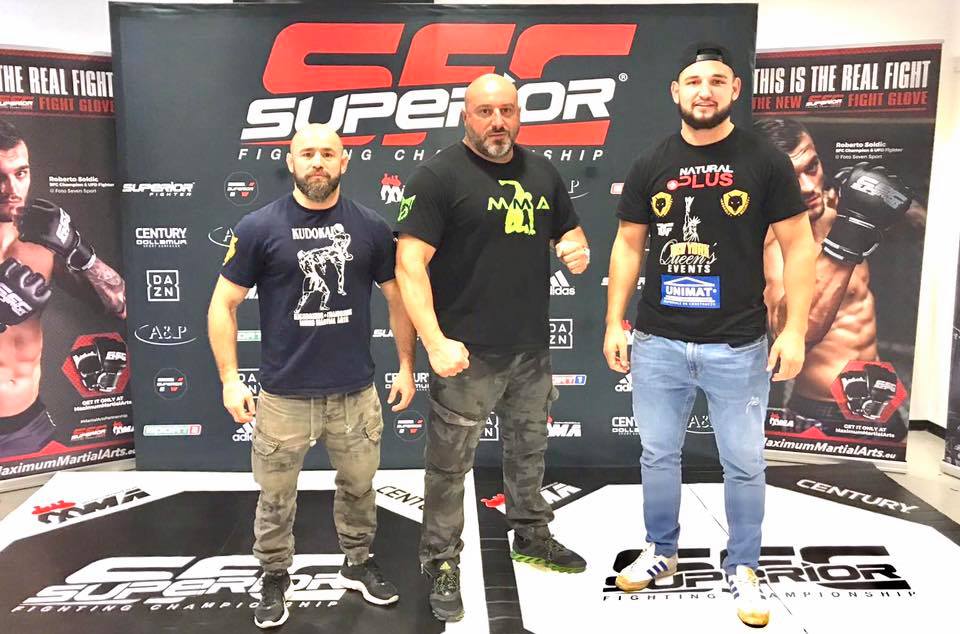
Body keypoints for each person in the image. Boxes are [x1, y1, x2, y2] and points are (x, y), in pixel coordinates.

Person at [603, 43, 816, 628]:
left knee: (744, 462)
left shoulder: (765, 161)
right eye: (694, 81)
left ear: (734, 91)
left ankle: (743, 566)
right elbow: (628, 245)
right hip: (658, 342)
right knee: (658, 454)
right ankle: (661, 551)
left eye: (717, 80)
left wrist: (795, 329)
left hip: (738, 344)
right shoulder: (650, 163)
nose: (705, 91)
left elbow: (799, 246)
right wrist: (614, 321)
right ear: (676, 91)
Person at [395, 73, 590, 622]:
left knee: (528, 449)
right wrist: (434, 342)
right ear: (466, 116)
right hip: (465, 354)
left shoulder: (543, 172)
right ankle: (440, 560)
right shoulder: (438, 176)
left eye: (507, 110)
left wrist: (575, 248)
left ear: (519, 114)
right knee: (448, 466)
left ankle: (530, 534)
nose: (497, 122)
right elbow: (409, 265)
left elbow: (569, 234)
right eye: (486, 112)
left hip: (530, 349)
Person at [208, 123, 416, 629]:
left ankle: (358, 562)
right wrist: (230, 378)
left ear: (344, 161)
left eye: (327, 153)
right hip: (284, 396)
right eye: (307, 153)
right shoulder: (258, 227)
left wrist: (407, 365)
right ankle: (274, 574)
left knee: (360, 486)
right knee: (275, 496)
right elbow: (223, 304)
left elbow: (398, 299)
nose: (317, 162)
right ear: (291, 161)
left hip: (354, 392)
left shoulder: (370, 227)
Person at [754, 118, 920, 441]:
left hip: (879, 393)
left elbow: (920, 226)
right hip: (824, 406)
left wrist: (892, 198)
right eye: (789, 178)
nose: (807, 187)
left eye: (811, 167)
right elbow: (794, 334)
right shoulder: (772, 242)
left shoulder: (838, 207)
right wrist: (848, 237)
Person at [0, 119, 126, 458]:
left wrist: (79, 252)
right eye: (0, 177)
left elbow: (120, 305)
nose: (12, 188)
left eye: (21, 173)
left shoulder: (42, 243)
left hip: (28, 426)